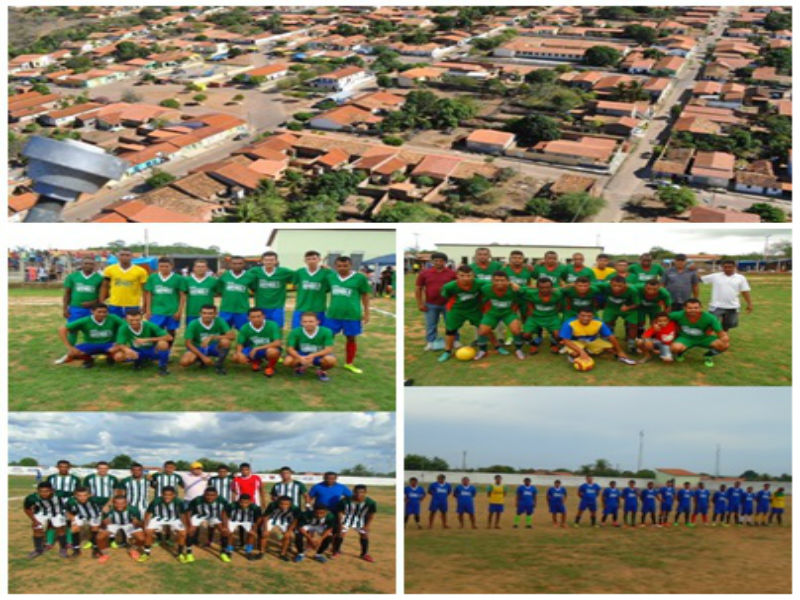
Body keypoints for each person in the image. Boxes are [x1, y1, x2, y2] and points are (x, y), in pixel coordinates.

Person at [324, 256, 371, 374]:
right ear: (335, 266)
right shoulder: (331, 277)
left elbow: (365, 295)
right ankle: (324, 360)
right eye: (339, 266)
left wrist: (366, 313)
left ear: (351, 266)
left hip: (352, 315)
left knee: (351, 338)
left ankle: (349, 363)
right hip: (333, 314)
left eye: (345, 266)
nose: (342, 268)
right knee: (328, 337)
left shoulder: (360, 278)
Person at [560, 308, 636, 367]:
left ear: (593, 316)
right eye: (583, 315)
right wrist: (581, 352)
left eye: (589, 316)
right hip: (576, 341)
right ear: (578, 316)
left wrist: (620, 351)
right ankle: (575, 354)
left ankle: (590, 351)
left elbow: (611, 337)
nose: (586, 318)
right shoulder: (569, 323)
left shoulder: (599, 322)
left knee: (611, 349)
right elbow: (566, 340)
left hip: (592, 340)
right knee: (576, 353)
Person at [438, 265, 483, 362]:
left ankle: (486, 348)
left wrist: (511, 284)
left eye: (469, 275)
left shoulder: (479, 283)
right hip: (456, 310)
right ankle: (447, 351)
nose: (466, 278)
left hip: (473, 309)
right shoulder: (449, 286)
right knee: (450, 331)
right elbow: (445, 294)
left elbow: (494, 283)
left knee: (483, 328)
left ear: (473, 276)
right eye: (462, 275)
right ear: (457, 276)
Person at [475, 272, 525, 361]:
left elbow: (524, 292)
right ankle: (482, 351)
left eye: (502, 280)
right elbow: (480, 297)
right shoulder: (486, 289)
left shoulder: (513, 288)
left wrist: (515, 286)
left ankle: (519, 349)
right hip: (492, 313)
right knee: (482, 331)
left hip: (508, 313)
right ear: (492, 281)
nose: (499, 283)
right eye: (496, 280)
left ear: (508, 281)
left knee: (516, 330)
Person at [57, 303, 124, 368]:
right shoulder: (85, 320)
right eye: (99, 312)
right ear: (92, 311)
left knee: (120, 357)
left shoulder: (113, 318)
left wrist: (119, 343)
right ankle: (88, 360)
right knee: (72, 353)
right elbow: (62, 330)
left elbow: (126, 327)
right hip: (90, 344)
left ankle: (110, 357)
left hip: (109, 344)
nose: (102, 314)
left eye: (105, 312)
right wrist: (70, 347)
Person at [669, 299, 729, 367]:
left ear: (701, 308)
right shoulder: (678, 314)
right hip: (685, 338)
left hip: (704, 338)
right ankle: (680, 353)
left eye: (696, 308)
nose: (693, 310)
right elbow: (663, 318)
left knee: (724, 345)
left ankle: (708, 355)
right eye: (690, 308)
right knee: (674, 348)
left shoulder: (710, 318)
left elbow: (720, 332)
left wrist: (724, 337)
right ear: (684, 308)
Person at [416, 252, 456, 350]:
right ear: (432, 262)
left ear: (445, 262)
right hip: (431, 304)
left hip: (448, 304)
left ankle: (455, 341)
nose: (438, 263)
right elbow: (418, 288)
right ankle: (430, 342)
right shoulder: (424, 273)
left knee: (451, 323)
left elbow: (457, 288)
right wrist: (420, 303)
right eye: (436, 261)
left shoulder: (452, 273)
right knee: (431, 324)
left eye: (441, 261)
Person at [113, 310, 172, 376]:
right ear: (126, 319)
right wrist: (127, 350)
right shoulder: (123, 328)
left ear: (141, 318)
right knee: (118, 356)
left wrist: (147, 339)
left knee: (163, 344)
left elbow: (169, 337)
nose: (134, 322)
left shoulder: (149, 325)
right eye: (131, 320)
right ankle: (138, 362)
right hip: (136, 351)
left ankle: (162, 367)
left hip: (151, 350)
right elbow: (120, 343)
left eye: (137, 320)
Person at [179, 304, 235, 375]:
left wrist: (213, 337)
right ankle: (200, 360)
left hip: (214, 347)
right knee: (184, 362)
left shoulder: (219, 321)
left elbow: (232, 336)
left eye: (210, 313)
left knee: (225, 341)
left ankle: (219, 364)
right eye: (204, 313)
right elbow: (188, 344)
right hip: (198, 347)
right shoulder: (193, 324)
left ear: (215, 314)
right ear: (200, 313)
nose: (207, 315)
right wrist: (203, 357)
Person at [700, 260, 753, 332]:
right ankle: (707, 338)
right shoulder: (715, 276)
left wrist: (749, 304)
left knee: (728, 324)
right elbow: (700, 279)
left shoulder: (741, 278)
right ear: (722, 267)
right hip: (716, 306)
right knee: (710, 323)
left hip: (732, 306)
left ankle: (723, 337)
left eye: (730, 267)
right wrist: (691, 271)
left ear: (734, 267)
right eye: (725, 267)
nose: (727, 269)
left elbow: (745, 291)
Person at [284, 312, 336, 382]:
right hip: (301, 354)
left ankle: (321, 371)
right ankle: (300, 368)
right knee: (287, 361)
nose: (308, 324)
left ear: (317, 322)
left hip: (318, 354)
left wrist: (313, 355)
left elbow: (328, 349)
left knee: (330, 360)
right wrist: (300, 358)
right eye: (305, 322)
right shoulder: (295, 332)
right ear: (301, 323)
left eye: (311, 321)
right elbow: (290, 349)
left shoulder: (326, 331)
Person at [140, 486, 187, 563]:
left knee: (183, 533)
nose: (167, 497)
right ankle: (146, 553)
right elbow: (148, 513)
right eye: (165, 494)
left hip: (174, 518)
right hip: (159, 517)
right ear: (162, 494)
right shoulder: (156, 501)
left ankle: (180, 553)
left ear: (174, 495)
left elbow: (183, 515)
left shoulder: (179, 502)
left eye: (170, 495)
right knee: (148, 531)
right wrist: (145, 525)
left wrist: (185, 525)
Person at [248, 251, 294, 330]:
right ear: (262, 261)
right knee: (261, 327)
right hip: (261, 305)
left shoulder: (284, 272)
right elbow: (243, 278)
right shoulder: (254, 271)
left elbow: (300, 277)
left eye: (272, 260)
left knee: (277, 327)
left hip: (277, 306)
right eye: (266, 260)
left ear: (276, 261)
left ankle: (278, 341)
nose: (269, 262)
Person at [143, 257, 185, 343]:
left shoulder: (178, 278)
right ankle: (156, 351)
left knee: (171, 331)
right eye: (161, 266)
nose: (164, 268)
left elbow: (182, 296)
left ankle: (168, 350)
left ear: (171, 266)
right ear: (158, 266)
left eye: (166, 266)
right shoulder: (153, 277)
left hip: (172, 310)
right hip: (156, 310)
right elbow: (149, 294)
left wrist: (179, 311)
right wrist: (148, 310)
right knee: (155, 331)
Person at [232, 307, 283, 377]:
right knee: (235, 358)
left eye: (259, 316)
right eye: (253, 317)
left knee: (273, 352)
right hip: (252, 349)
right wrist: (239, 353)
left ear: (264, 316)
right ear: (248, 318)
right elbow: (240, 343)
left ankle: (270, 367)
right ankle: (256, 361)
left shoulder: (272, 325)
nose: (256, 319)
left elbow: (277, 343)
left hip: (268, 349)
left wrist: (257, 348)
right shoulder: (245, 327)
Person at [185, 486, 231, 562]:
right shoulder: (197, 500)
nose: (209, 497)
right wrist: (189, 525)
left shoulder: (222, 500)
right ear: (204, 494)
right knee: (191, 530)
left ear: (216, 495)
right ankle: (189, 552)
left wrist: (225, 526)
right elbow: (188, 512)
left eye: (212, 495)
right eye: (207, 495)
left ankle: (223, 552)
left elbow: (224, 513)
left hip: (214, 516)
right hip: (199, 515)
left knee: (224, 531)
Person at [24, 481, 68, 559]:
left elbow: (73, 495)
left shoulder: (59, 494)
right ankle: (38, 550)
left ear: (52, 490)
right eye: (41, 491)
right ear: (37, 491)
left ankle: (63, 548)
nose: (44, 493)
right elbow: (27, 509)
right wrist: (34, 521)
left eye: (47, 491)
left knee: (60, 529)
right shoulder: (32, 498)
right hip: (42, 512)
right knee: (37, 529)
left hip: (57, 512)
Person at [519, 277, 563, 354]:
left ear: (552, 287)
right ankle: (534, 344)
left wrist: (555, 312)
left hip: (551, 317)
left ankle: (553, 343)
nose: (545, 290)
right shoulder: (531, 293)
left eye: (548, 287)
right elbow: (526, 297)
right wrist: (531, 311)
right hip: (535, 317)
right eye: (542, 288)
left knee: (558, 335)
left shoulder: (557, 294)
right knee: (526, 335)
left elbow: (559, 304)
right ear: (537, 287)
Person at [333, 484, 377, 562]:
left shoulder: (370, 502)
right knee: (340, 533)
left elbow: (371, 514)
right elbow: (340, 512)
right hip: (346, 519)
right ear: (353, 492)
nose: (359, 494)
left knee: (364, 535)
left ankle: (364, 554)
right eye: (356, 492)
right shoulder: (345, 500)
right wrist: (340, 524)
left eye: (362, 492)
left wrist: (367, 525)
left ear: (365, 492)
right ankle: (336, 551)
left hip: (360, 520)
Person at [100, 249, 148, 317]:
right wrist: (102, 302)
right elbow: (104, 286)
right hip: (114, 304)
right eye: (122, 255)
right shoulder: (109, 269)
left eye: (127, 255)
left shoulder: (141, 271)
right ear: (118, 256)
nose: (124, 257)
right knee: (115, 325)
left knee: (132, 325)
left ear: (132, 257)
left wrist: (144, 305)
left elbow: (145, 290)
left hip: (133, 305)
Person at [97, 496, 145, 563]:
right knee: (100, 536)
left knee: (141, 538)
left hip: (129, 524)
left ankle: (133, 549)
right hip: (114, 524)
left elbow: (139, 524)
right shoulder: (108, 510)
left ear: (126, 503)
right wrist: (105, 522)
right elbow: (103, 524)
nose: (120, 505)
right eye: (117, 503)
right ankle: (105, 554)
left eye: (122, 503)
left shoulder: (134, 509)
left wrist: (137, 523)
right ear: (113, 503)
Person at [599, 276, 640, 353]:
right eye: (614, 285)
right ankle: (608, 341)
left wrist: (628, 307)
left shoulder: (632, 290)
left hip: (628, 309)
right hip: (611, 307)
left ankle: (631, 344)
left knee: (633, 324)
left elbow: (637, 303)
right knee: (607, 323)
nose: (616, 288)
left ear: (625, 285)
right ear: (610, 284)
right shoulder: (605, 286)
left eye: (620, 286)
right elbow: (591, 284)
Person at [292, 250, 330, 329]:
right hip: (301, 307)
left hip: (318, 308)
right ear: (304, 260)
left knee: (318, 331)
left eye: (314, 259)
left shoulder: (326, 272)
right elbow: (295, 285)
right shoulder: (299, 272)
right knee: (297, 330)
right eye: (308, 259)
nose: (311, 261)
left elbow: (330, 286)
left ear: (319, 259)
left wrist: (329, 269)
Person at [61, 256, 103, 324]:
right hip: (75, 307)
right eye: (86, 263)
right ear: (81, 265)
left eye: (91, 264)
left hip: (92, 309)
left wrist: (93, 302)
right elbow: (67, 294)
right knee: (72, 329)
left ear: (94, 265)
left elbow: (104, 295)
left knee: (91, 330)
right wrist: (65, 309)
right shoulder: (72, 276)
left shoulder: (99, 278)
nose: (88, 265)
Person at [65, 486, 103, 558]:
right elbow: (68, 511)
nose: (82, 498)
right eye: (79, 496)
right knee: (74, 528)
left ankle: (96, 548)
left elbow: (110, 501)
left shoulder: (95, 499)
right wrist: (73, 520)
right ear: (75, 495)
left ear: (89, 495)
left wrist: (105, 508)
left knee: (95, 529)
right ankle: (76, 550)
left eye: (85, 495)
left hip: (94, 515)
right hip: (81, 515)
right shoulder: (71, 501)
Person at [216, 256, 253, 330]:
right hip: (225, 310)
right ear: (230, 264)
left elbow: (254, 289)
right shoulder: (223, 276)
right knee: (223, 333)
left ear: (244, 264)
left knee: (244, 333)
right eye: (234, 263)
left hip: (242, 310)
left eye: (240, 263)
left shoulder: (250, 276)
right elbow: (219, 292)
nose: (237, 265)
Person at [262, 494, 301, 561]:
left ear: (290, 504)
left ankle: (282, 554)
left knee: (287, 536)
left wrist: (289, 531)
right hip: (272, 519)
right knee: (264, 534)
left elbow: (295, 520)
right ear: (278, 502)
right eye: (281, 504)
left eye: (286, 504)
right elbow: (266, 516)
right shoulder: (272, 505)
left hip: (285, 520)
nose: (284, 506)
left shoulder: (295, 508)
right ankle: (261, 552)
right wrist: (265, 529)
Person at [224, 493, 261, 560]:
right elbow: (224, 513)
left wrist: (254, 528)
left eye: (246, 502)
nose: (244, 504)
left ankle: (248, 551)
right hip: (233, 520)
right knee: (229, 533)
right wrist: (226, 526)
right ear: (238, 501)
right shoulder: (232, 505)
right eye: (242, 502)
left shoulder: (255, 507)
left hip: (247, 521)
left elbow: (259, 518)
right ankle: (229, 550)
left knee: (251, 534)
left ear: (250, 502)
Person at [181, 259, 219, 326]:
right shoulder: (187, 280)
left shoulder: (213, 280)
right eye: (198, 266)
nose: (200, 268)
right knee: (191, 333)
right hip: (191, 312)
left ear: (207, 268)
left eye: (202, 266)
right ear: (194, 268)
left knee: (206, 333)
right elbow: (183, 295)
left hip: (208, 313)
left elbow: (218, 293)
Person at [115, 463, 151, 528]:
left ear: (142, 470)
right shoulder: (125, 481)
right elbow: (120, 494)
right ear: (131, 471)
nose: (136, 472)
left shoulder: (148, 480)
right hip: (130, 506)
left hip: (144, 506)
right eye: (134, 470)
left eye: (139, 470)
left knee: (144, 524)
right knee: (132, 525)